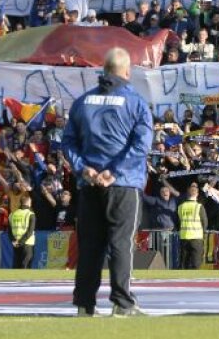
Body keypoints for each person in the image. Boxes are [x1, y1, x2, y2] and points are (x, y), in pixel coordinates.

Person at [62, 47, 154, 317]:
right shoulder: (136, 103)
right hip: (123, 183)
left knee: (90, 244)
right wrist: (113, 171)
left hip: (89, 185)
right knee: (120, 243)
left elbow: (68, 141)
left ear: (104, 70)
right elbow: (141, 145)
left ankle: (84, 304)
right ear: (127, 71)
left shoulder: (82, 102)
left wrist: (84, 169)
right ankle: (122, 303)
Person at [177, 181, 208, 269]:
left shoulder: (180, 207)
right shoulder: (199, 206)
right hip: (196, 238)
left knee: (184, 263)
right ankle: (194, 282)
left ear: (187, 194)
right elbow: (205, 222)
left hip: (184, 237)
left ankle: (182, 281)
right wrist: (204, 234)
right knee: (196, 264)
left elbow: (179, 221)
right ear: (197, 194)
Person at [9, 195, 37, 269]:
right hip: (27, 243)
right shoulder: (30, 214)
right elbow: (30, 231)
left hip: (15, 243)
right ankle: (24, 280)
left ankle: (13, 280)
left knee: (16, 264)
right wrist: (21, 242)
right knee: (25, 265)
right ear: (29, 203)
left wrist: (14, 241)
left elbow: (9, 230)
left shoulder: (12, 214)